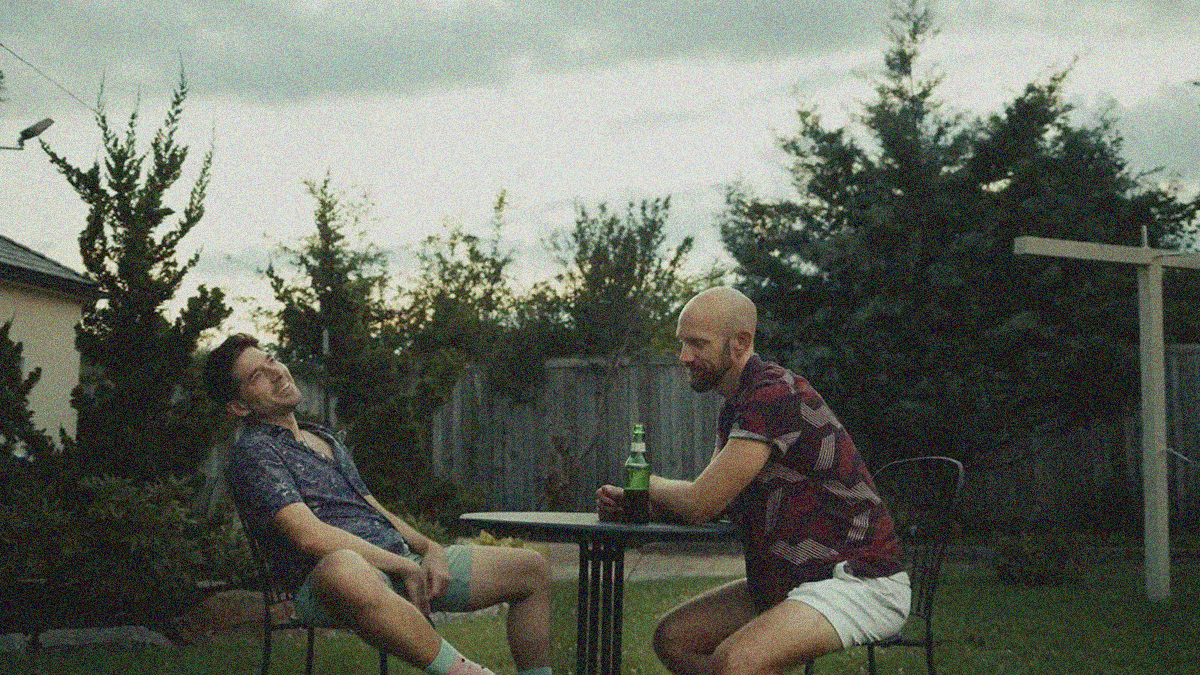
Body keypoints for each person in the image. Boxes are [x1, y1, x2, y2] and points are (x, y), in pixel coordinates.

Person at [596, 287, 909, 675]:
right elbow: (714, 503)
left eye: (698, 344)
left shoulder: (772, 396)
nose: (684, 357)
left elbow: (700, 501)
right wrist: (640, 502)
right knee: (675, 639)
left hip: (858, 578)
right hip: (792, 579)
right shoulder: (739, 405)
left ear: (741, 343)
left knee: (738, 661)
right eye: (682, 343)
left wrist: (641, 483)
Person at [204, 333, 552, 675]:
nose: (277, 371)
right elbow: (308, 536)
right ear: (239, 406)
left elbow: (372, 507)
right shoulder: (255, 452)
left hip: (399, 563)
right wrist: (401, 566)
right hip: (330, 583)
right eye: (257, 376)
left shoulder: (324, 439)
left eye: (272, 360)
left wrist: (428, 548)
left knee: (530, 568)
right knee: (344, 565)